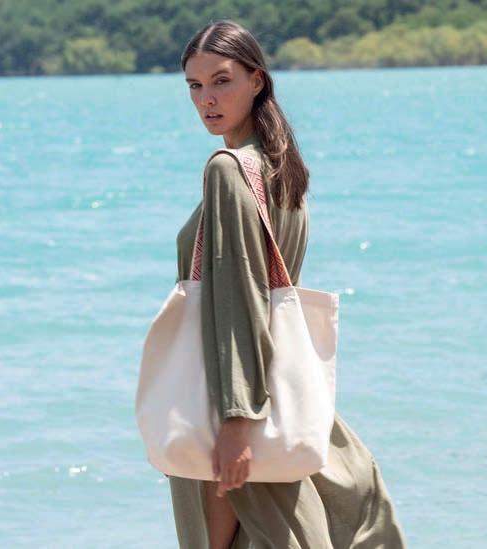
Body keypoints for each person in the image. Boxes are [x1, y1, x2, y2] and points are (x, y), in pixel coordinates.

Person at [168, 19, 407, 549]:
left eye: (221, 81)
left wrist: (236, 418)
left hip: (232, 390)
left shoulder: (229, 169)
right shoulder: (282, 169)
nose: (207, 99)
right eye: (195, 86)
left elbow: (241, 295)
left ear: (257, 80)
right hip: (279, 388)